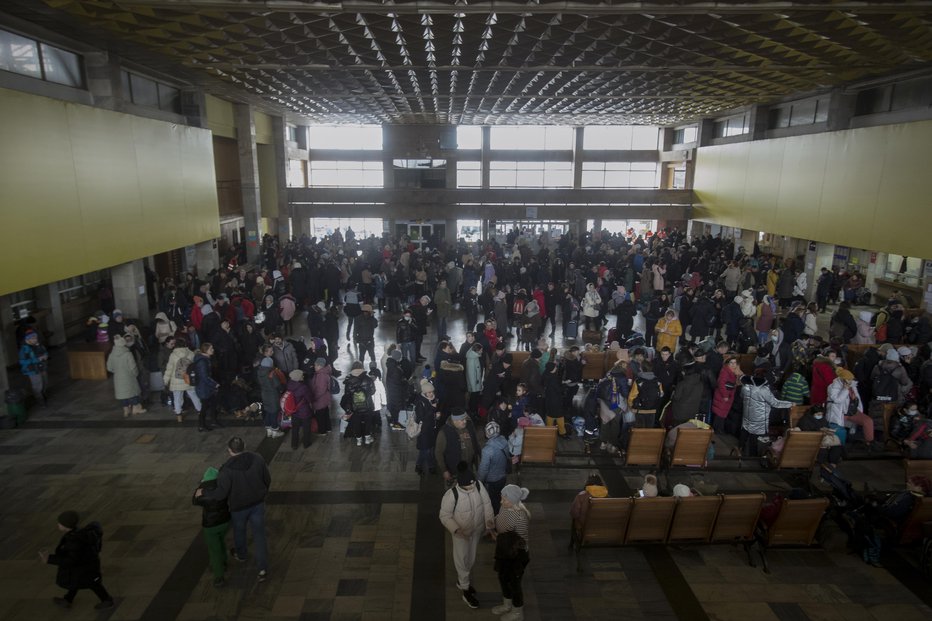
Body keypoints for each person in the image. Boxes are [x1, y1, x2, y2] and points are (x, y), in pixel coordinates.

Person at [195, 436, 271, 582]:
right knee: (259, 535)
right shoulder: (257, 458)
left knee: (239, 531)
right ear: (245, 446)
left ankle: (241, 554)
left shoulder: (226, 469)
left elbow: (221, 493)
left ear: (229, 451)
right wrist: (262, 493)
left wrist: (204, 492)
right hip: (257, 504)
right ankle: (262, 568)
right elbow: (267, 479)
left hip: (238, 507)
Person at [438, 462, 495, 610]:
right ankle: (465, 590)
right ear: (460, 485)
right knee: (462, 559)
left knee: (471, 557)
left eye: (473, 485)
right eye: (468, 487)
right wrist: (456, 530)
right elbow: (444, 516)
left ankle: (463, 581)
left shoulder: (478, 485)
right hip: (461, 535)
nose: (472, 488)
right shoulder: (451, 495)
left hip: (476, 531)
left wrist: (489, 526)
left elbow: (487, 504)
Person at [39, 510, 114, 610]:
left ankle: (107, 600)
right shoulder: (77, 534)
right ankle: (68, 599)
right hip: (85, 566)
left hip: (85, 567)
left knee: (93, 584)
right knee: (75, 582)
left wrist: (49, 559)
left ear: (66, 525)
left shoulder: (74, 540)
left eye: (60, 523)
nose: (58, 524)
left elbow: (70, 560)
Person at [493, 485, 532, 621]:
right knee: (503, 578)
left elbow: (519, 542)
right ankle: (507, 604)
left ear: (514, 501)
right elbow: (500, 519)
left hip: (516, 556)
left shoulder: (520, 517)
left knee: (514, 583)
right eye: (502, 498)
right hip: (504, 552)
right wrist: (493, 523)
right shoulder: (504, 507)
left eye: (504, 499)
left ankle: (517, 612)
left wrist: (498, 537)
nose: (501, 502)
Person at [192, 467, 231, 588]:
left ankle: (218, 576)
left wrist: (200, 488)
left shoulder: (203, 492)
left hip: (210, 525)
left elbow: (194, 501)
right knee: (221, 541)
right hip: (225, 521)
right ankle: (224, 561)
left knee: (214, 550)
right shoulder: (223, 488)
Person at [740, 370, 793, 457]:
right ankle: (752, 457)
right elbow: (775, 403)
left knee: (744, 433)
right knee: (755, 438)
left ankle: (740, 450)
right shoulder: (764, 390)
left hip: (747, 415)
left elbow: (742, 396)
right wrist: (790, 404)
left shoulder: (745, 386)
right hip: (758, 418)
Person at [436, 408, 481, 485]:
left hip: (469, 468)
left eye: (465, 419)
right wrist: (444, 470)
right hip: (454, 471)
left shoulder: (469, 425)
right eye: (462, 420)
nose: (465, 421)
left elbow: (475, 442)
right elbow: (438, 453)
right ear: (454, 421)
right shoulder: (444, 432)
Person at [106, 334, 145, 418]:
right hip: (129, 377)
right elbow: (133, 367)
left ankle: (126, 410)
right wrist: (135, 374)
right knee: (133, 393)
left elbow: (109, 368)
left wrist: (117, 372)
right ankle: (136, 409)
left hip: (118, 378)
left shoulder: (111, 355)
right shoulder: (127, 354)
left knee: (123, 394)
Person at [341, 360, 378, 446]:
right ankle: (368, 438)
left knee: (356, 422)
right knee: (368, 422)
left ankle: (359, 440)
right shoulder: (368, 379)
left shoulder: (349, 380)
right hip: (367, 405)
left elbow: (347, 395)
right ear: (362, 368)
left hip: (355, 407)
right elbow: (372, 391)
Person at [477, 421, 510, 514]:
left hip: (492, 481)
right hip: (503, 477)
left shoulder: (487, 450)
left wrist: (479, 481)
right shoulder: (504, 441)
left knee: (492, 500)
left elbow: (483, 469)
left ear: (487, 434)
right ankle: (500, 512)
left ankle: (496, 518)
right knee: (499, 496)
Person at [193, 342, 221, 432]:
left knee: (213, 405)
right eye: (211, 349)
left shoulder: (205, 359)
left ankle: (213, 421)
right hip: (204, 388)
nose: (213, 350)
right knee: (204, 407)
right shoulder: (202, 361)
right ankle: (201, 425)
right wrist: (214, 384)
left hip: (206, 388)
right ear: (206, 351)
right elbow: (204, 377)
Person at [256, 355, 285, 438]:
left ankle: (269, 430)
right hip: (273, 396)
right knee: (274, 413)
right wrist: (282, 389)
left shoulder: (259, 372)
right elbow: (278, 385)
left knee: (268, 412)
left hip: (264, 395)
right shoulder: (271, 373)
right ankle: (275, 432)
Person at [19, 328, 49, 406]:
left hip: (42, 367)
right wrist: (37, 359)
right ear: (27, 339)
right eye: (32, 338)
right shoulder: (24, 349)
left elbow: (45, 351)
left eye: (35, 337)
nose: (35, 339)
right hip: (32, 370)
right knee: (37, 385)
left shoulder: (39, 345)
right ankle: (40, 400)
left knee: (45, 382)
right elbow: (22, 361)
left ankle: (43, 394)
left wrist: (46, 356)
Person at [286, 369, 313, 449]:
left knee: (295, 428)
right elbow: (310, 398)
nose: (303, 376)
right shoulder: (303, 387)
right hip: (304, 411)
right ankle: (306, 443)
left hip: (294, 411)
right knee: (306, 428)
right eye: (301, 375)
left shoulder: (289, 384)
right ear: (298, 377)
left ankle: (294, 444)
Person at [308, 357, 334, 435]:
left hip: (320, 400)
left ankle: (322, 431)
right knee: (325, 414)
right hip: (325, 399)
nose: (314, 367)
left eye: (315, 365)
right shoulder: (324, 372)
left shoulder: (321, 375)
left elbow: (320, 390)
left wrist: (313, 398)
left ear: (320, 366)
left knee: (320, 416)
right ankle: (328, 428)